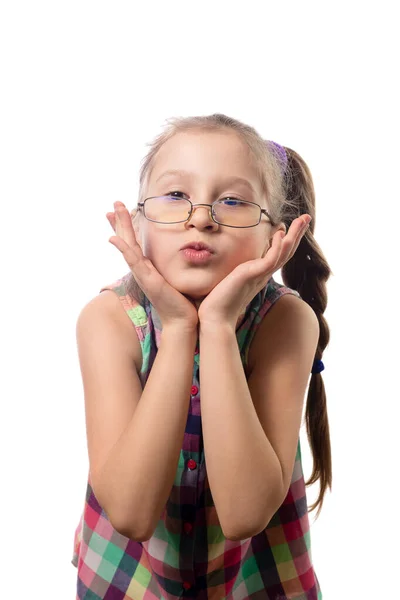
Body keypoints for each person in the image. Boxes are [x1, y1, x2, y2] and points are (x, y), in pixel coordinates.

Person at [71, 113, 332, 599]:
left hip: (255, 585)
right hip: (127, 583)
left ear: (274, 236)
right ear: (139, 219)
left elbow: (244, 515)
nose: (201, 217)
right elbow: (129, 513)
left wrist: (214, 327)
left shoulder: (285, 323)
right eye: (175, 196)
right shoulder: (109, 320)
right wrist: (176, 327)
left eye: (232, 201)